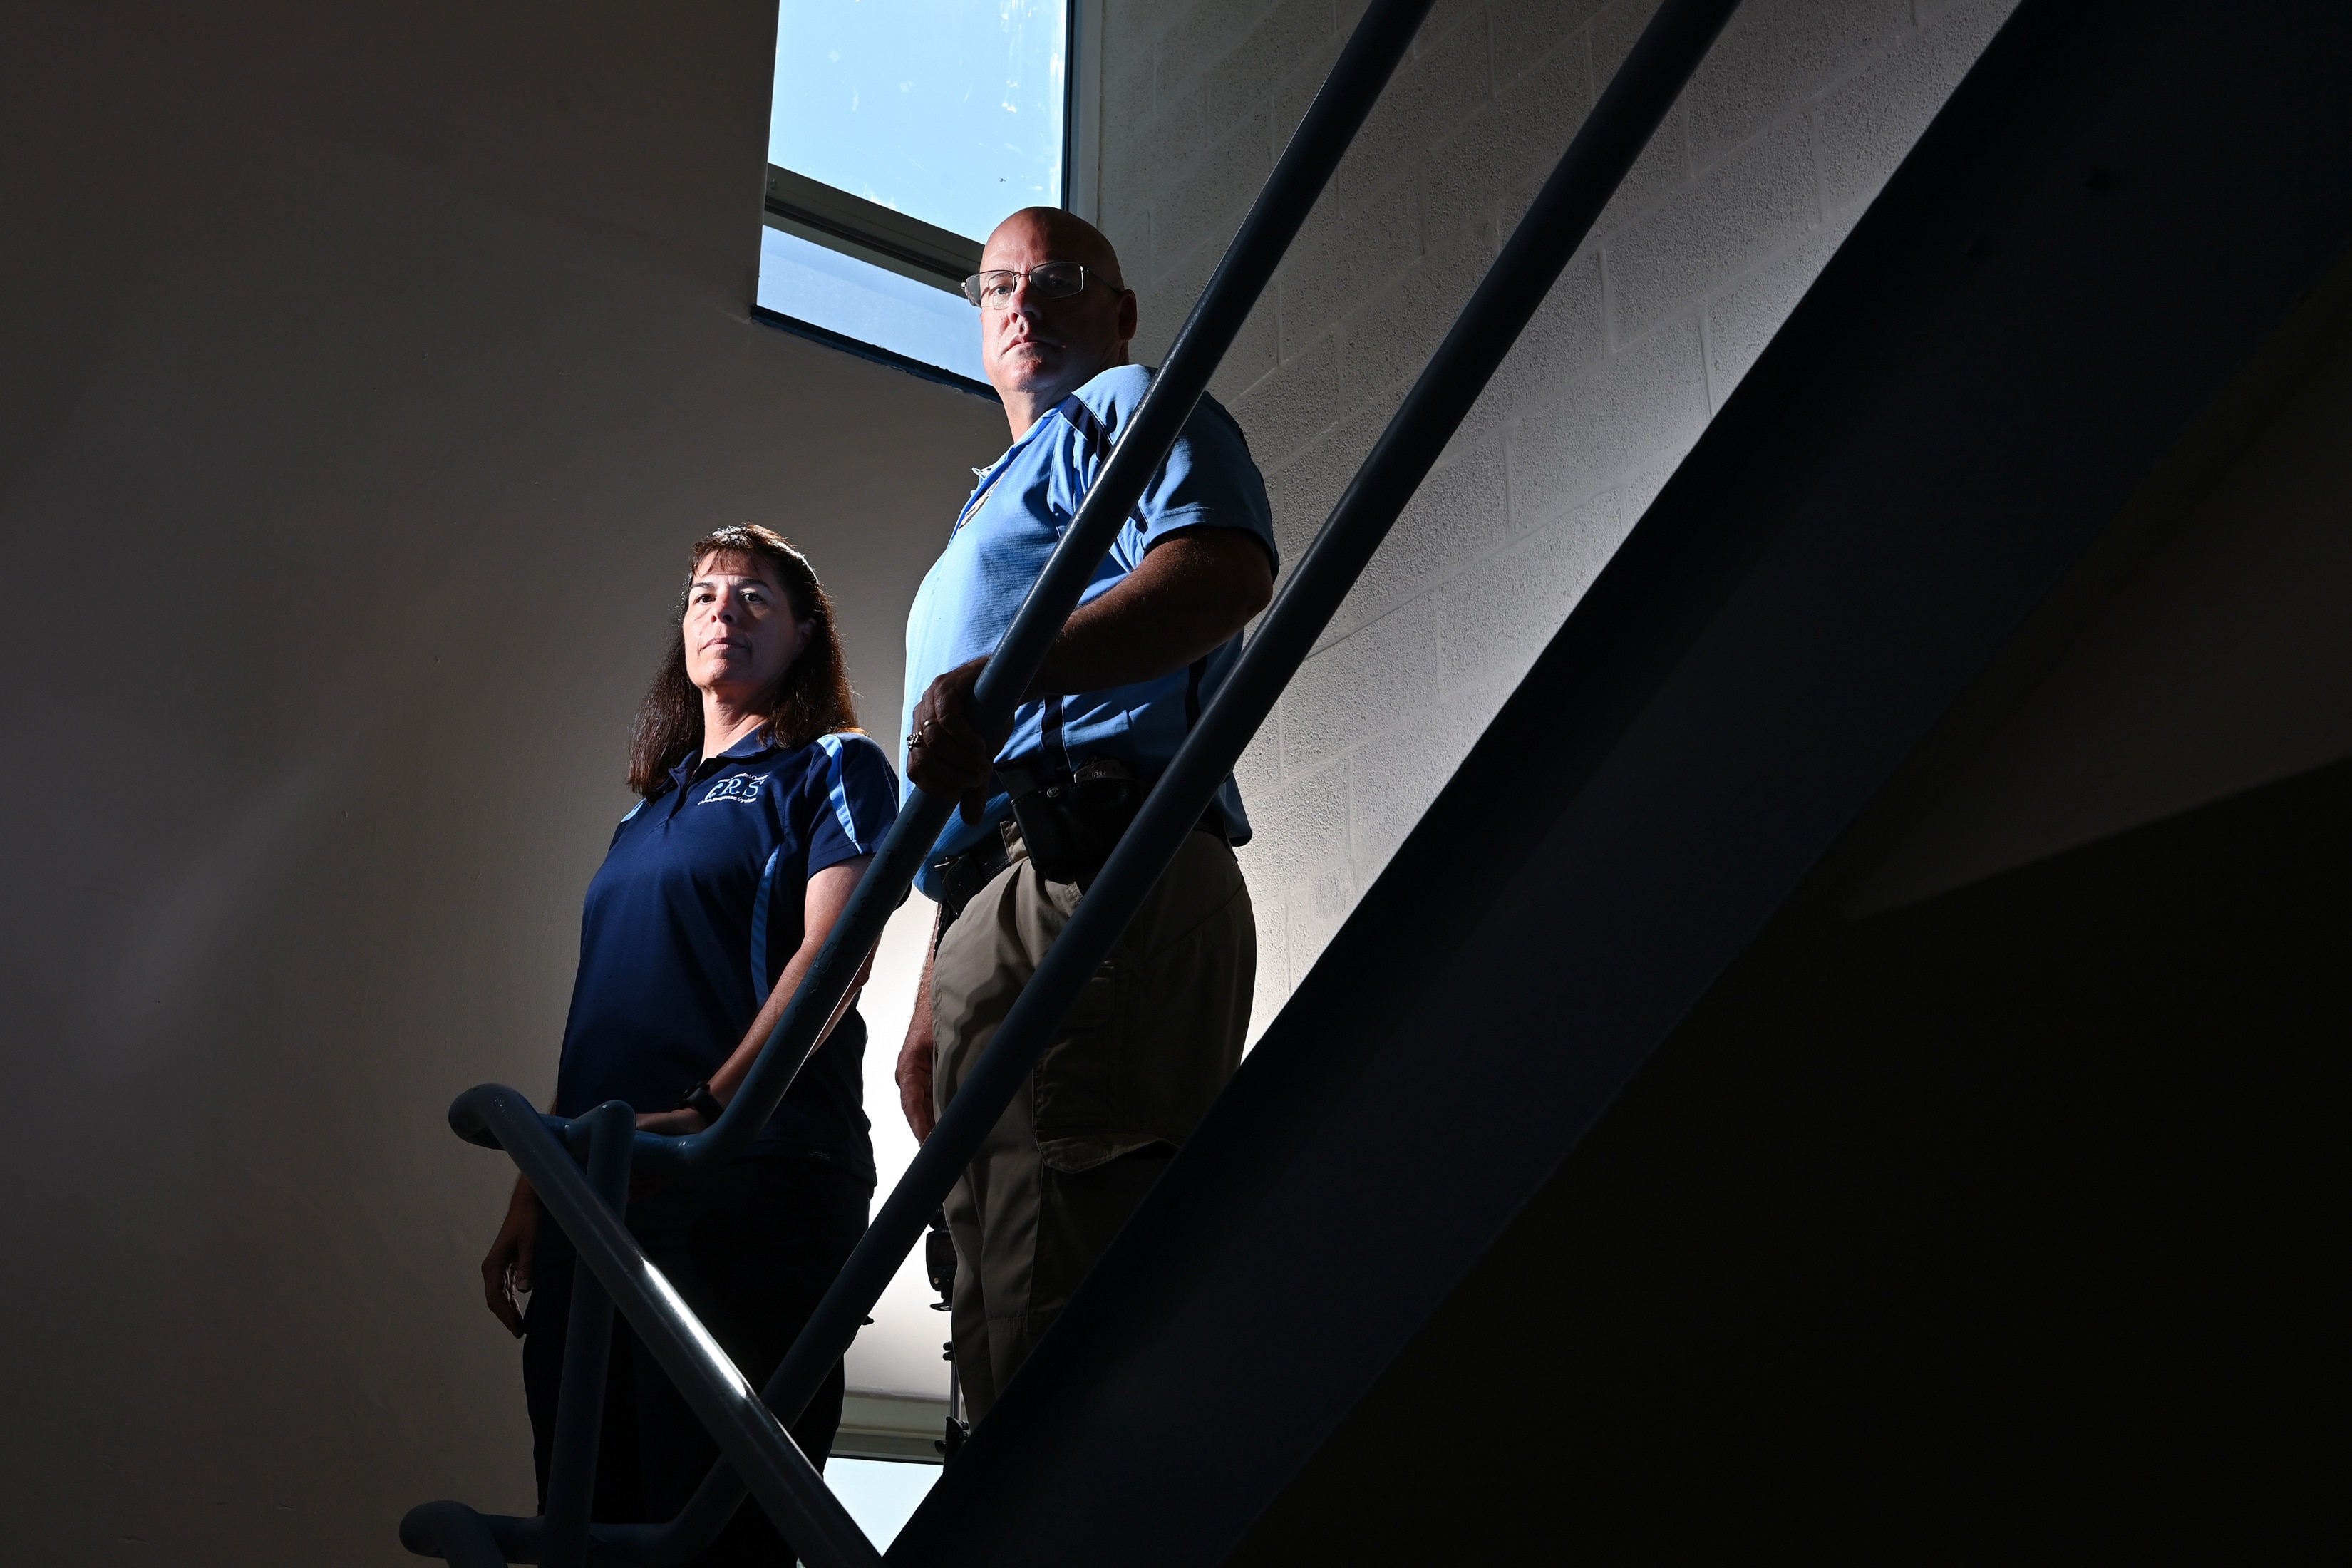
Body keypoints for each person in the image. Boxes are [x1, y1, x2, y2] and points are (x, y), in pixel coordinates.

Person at [892, 207, 1277, 1427]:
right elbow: (959, 799)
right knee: (997, 1291)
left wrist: (1003, 674)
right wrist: (924, 1001)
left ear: (1116, 313)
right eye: (998, 285)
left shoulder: (1129, 411)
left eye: (1058, 280)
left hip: (1100, 855)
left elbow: (1223, 569)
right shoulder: (977, 516)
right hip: (996, 898)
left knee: (1073, 1288)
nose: (1022, 301)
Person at [478, 525, 899, 1563]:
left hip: (746, 1179)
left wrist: (717, 1112)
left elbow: (836, 956)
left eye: (757, 596)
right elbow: (610, 1016)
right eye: (707, 594)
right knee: (588, 1510)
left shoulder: (831, 767)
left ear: (804, 635)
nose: (726, 610)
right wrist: (540, 1180)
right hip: (601, 1191)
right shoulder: (642, 818)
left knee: (717, 1521)